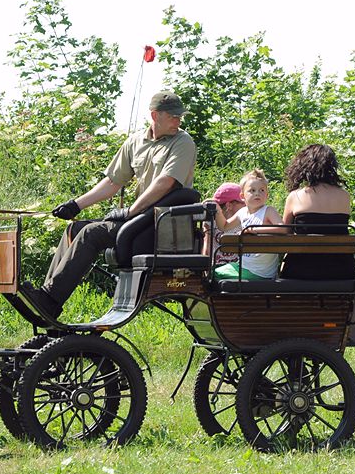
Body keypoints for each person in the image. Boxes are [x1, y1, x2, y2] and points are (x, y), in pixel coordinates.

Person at [30, 91, 197, 318]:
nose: (178, 121)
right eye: (173, 116)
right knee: (74, 229)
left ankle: (49, 301)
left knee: (92, 233)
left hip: (164, 227)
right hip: (141, 221)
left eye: (180, 116)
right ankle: (46, 298)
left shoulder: (183, 142)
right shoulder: (136, 142)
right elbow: (112, 182)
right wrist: (76, 205)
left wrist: (130, 211)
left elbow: (165, 183)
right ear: (155, 115)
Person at [279, 143, 355, 280]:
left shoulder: (295, 196)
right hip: (342, 270)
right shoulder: (344, 196)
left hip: (301, 270)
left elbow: (285, 234)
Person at [214, 169, 284, 280]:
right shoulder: (242, 212)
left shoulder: (268, 211)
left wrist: (255, 230)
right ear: (242, 196)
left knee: (213, 275)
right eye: (252, 190)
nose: (257, 193)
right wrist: (216, 208)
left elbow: (282, 229)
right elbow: (224, 227)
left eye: (261, 190)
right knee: (210, 273)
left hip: (260, 272)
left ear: (267, 195)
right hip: (243, 266)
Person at [203, 182, 245, 265]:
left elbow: (206, 248)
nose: (246, 205)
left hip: (236, 269)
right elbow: (207, 248)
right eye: (243, 202)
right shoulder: (211, 221)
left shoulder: (244, 220)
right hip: (225, 268)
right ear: (229, 205)